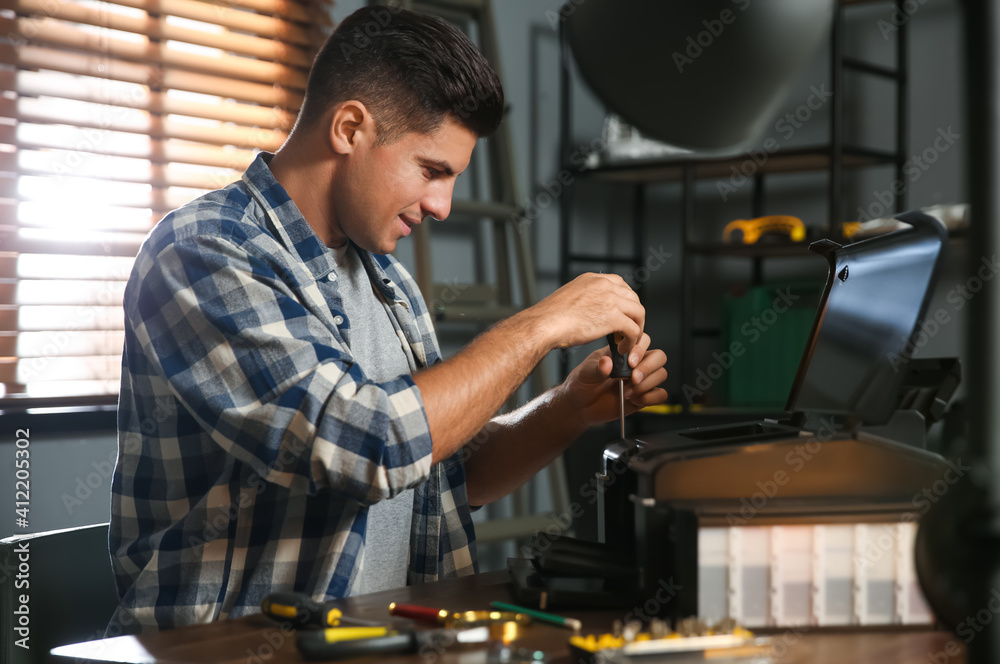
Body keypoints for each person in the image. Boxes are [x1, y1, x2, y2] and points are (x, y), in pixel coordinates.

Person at [107, 6, 668, 634]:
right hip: (225, 652)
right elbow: (363, 446)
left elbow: (440, 475)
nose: (443, 205)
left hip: (381, 641)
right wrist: (538, 326)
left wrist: (567, 410)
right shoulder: (204, 252)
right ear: (350, 128)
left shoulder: (389, 282)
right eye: (432, 171)